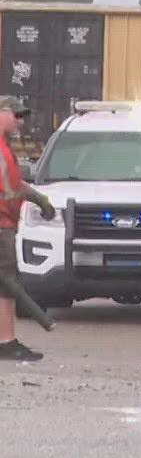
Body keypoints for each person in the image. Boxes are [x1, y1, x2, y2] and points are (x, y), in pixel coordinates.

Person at [0, 97, 56, 362]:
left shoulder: (5, 148)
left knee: (7, 283)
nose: (21, 121)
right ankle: (6, 342)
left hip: (6, 223)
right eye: (16, 115)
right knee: (8, 284)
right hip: (1, 225)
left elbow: (13, 183)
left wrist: (38, 198)